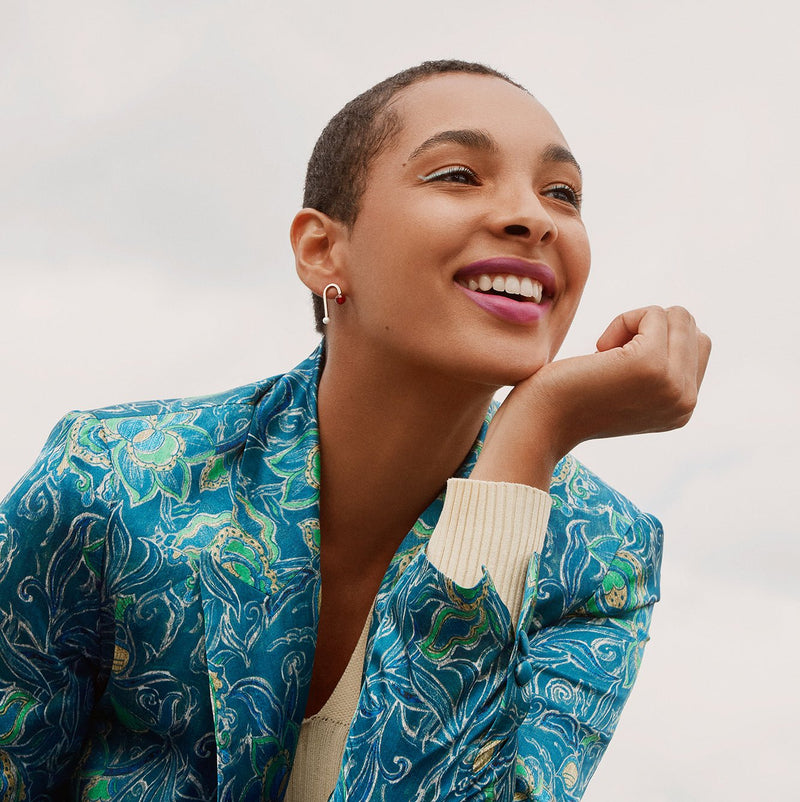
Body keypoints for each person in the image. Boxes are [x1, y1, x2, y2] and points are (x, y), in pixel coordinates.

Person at [0, 60, 710, 802]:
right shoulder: (113, 480)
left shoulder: (601, 557)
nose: (531, 216)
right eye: (459, 175)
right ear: (321, 251)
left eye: (561, 193)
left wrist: (536, 430)